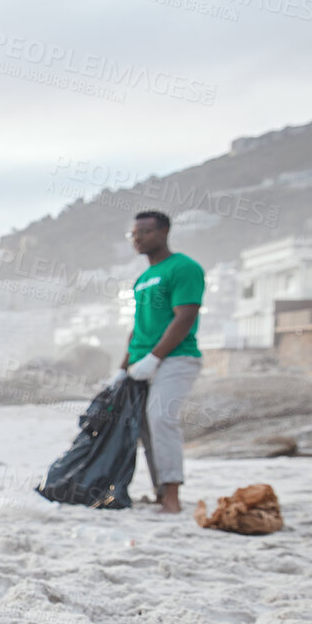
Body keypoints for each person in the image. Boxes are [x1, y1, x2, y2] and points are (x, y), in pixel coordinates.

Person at [110, 210, 203, 514]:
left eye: (145, 232)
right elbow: (138, 327)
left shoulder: (184, 268)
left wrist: (155, 357)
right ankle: (160, 492)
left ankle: (173, 499)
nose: (138, 239)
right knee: (145, 427)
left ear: (163, 232)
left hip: (176, 358)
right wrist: (122, 369)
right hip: (140, 363)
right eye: (133, 234)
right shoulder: (142, 279)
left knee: (162, 417)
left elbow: (185, 316)